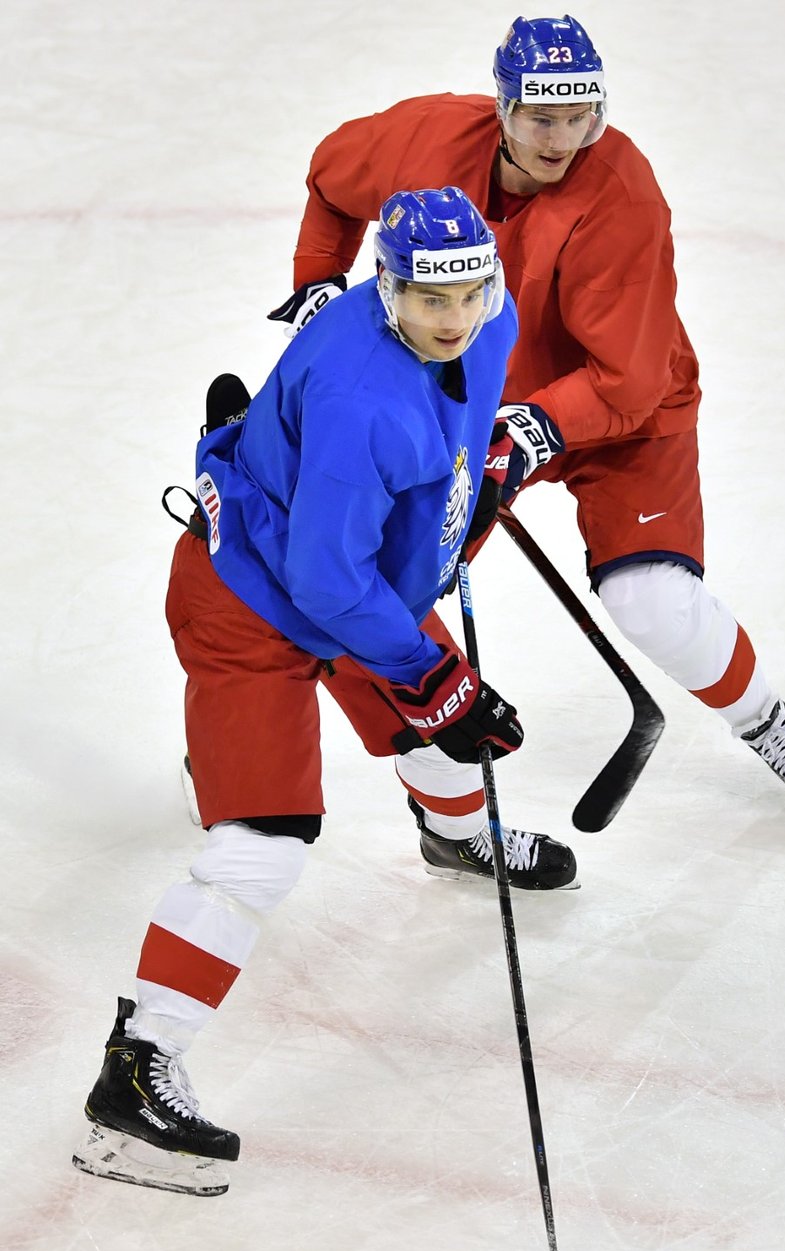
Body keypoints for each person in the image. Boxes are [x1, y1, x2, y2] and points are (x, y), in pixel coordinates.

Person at [73, 186, 577, 1197]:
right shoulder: (361, 397)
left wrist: (483, 475)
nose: (452, 316)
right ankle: (132, 1077)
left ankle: (454, 836)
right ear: (381, 285)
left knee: (451, 733)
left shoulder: (489, 315)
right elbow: (325, 582)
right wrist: (432, 675)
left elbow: (443, 434)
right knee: (262, 847)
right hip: (257, 602)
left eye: (469, 291)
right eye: (426, 296)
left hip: (349, 574)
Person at [275, 14, 785, 824]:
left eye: (581, 116)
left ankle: (764, 720)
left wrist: (528, 427)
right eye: (542, 117)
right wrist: (316, 285)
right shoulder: (426, 142)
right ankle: (432, 818)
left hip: (620, 405)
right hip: (467, 403)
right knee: (357, 587)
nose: (562, 138)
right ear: (502, 106)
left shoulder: (622, 198)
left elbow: (629, 379)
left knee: (654, 602)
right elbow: (332, 184)